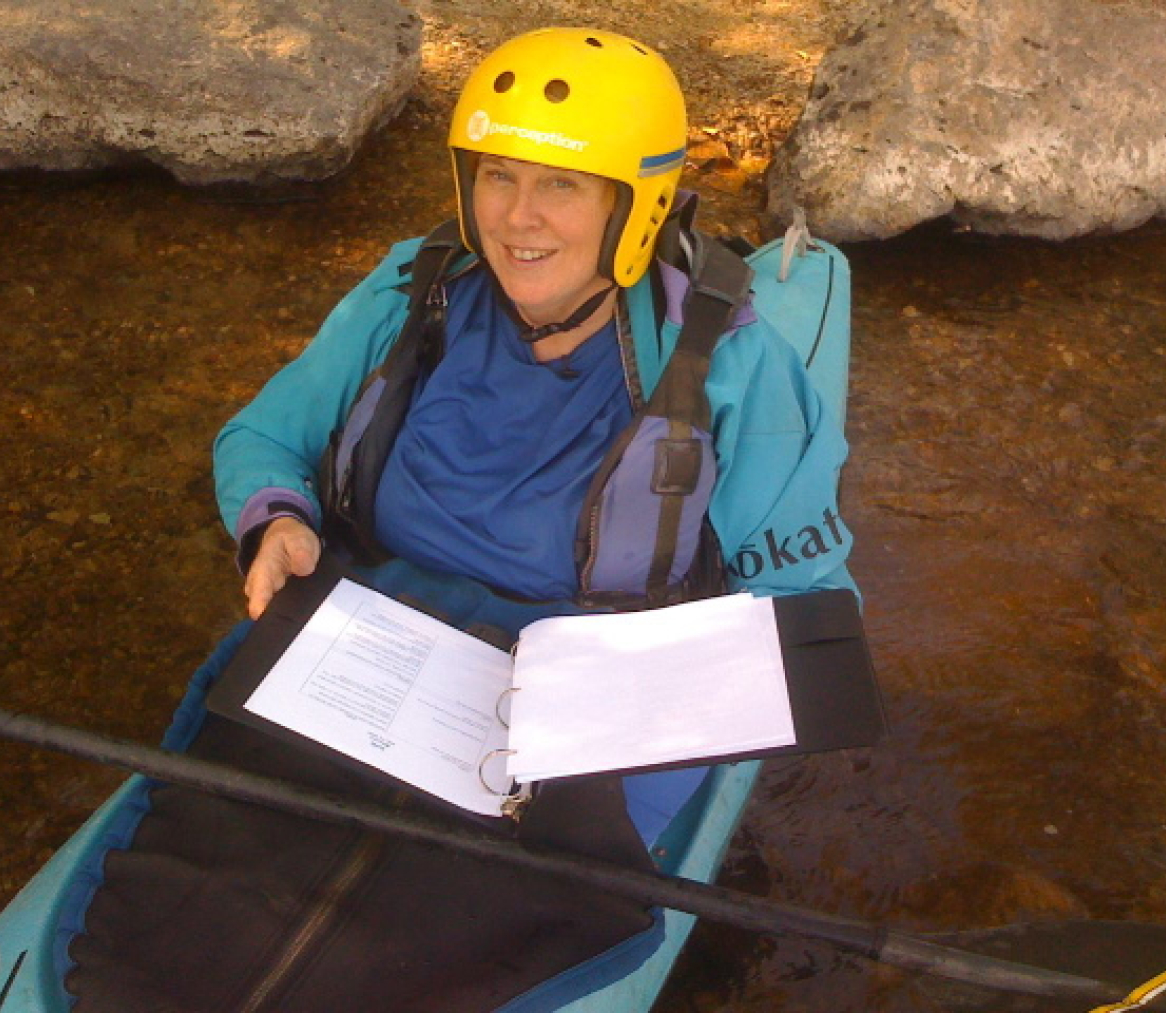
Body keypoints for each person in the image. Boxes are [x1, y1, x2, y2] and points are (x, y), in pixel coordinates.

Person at [213, 27, 854, 847]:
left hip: (596, 701)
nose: (520, 216)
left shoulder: (730, 364)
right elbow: (264, 434)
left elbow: (806, 603)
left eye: (562, 183)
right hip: (388, 652)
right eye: (499, 176)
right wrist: (280, 520)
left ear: (633, 205)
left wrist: (643, 707)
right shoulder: (416, 285)